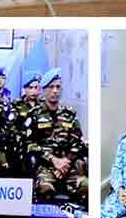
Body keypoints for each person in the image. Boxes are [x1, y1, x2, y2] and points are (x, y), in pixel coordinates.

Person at [27, 68, 88, 202]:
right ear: (44, 90)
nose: (55, 91)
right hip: (46, 166)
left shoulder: (69, 114)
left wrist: (65, 163)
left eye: (58, 87)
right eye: (51, 87)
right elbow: (29, 144)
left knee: (86, 187)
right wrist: (54, 160)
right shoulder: (34, 114)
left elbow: (77, 141)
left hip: (68, 165)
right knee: (45, 190)